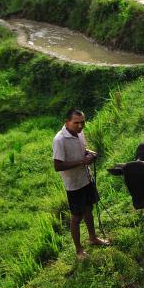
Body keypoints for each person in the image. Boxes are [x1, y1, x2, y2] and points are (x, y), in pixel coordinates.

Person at [52, 109, 109, 259]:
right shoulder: (59, 140)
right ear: (67, 122)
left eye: (82, 122)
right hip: (73, 184)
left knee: (89, 209)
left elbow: (82, 150)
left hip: (86, 178)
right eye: (76, 122)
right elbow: (57, 166)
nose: (80, 125)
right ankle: (78, 251)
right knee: (76, 217)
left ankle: (93, 238)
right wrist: (81, 162)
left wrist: (91, 153)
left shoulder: (80, 133)